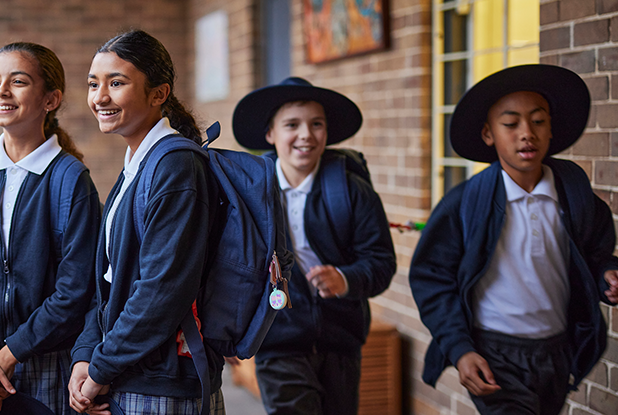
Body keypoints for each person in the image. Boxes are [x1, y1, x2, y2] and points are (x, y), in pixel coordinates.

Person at [409, 64, 618, 415]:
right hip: (495, 353)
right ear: (489, 134)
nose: (527, 133)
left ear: (551, 129)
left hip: (556, 351)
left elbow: (596, 254)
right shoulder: (467, 202)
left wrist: (606, 276)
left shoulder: (574, 195)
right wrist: (460, 349)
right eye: (511, 124)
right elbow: (432, 277)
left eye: (538, 121)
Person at [0, 42, 101, 415]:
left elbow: (75, 291)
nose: (2, 92)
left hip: (49, 361)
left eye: (18, 81)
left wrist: (10, 354)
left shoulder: (70, 180)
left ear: (50, 99)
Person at [67, 30, 224, 415]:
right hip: (130, 374)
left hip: (164, 386)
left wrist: (100, 368)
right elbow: (108, 283)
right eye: (93, 84)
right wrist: (85, 354)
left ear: (159, 94)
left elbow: (161, 290)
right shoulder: (138, 167)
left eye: (116, 83)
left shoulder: (175, 166)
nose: (100, 97)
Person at [231, 77, 397, 415]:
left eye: (316, 124)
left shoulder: (351, 190)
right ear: (270, 134)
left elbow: (381, 261)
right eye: (292, 124)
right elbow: (230, 266)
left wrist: (346, 279)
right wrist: (228, 328)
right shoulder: (249, 194)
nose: (306, 135)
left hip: (341, 342)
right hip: (277, 340)